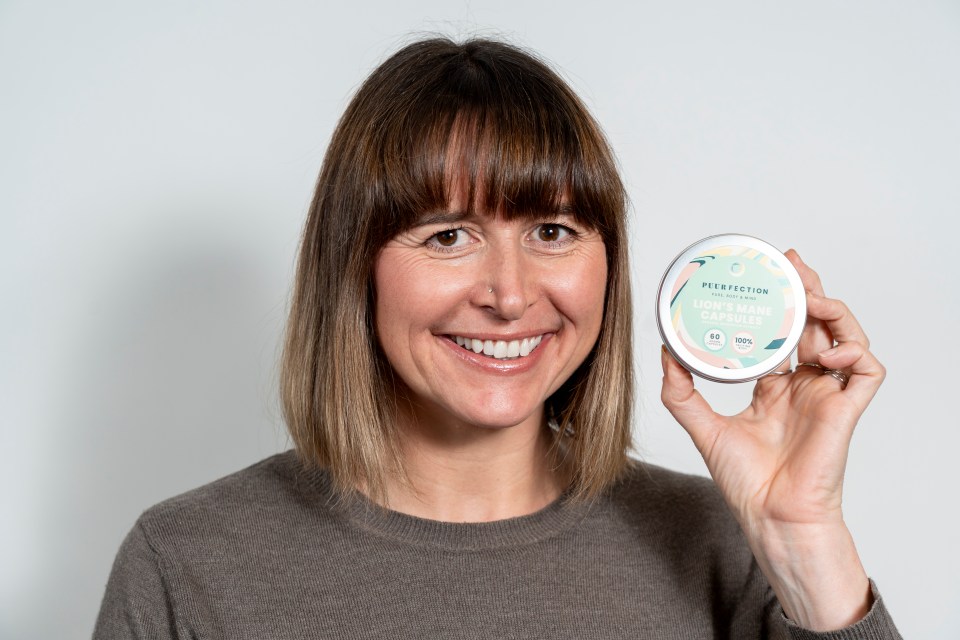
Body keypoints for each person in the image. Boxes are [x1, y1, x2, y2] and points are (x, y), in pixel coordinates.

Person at [93, 37, 902, 639]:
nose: (511, 296)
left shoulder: (729, 544)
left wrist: (805, 542)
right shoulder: (188, 565)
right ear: (355, 267)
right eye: (448, 236)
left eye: (553, 230)